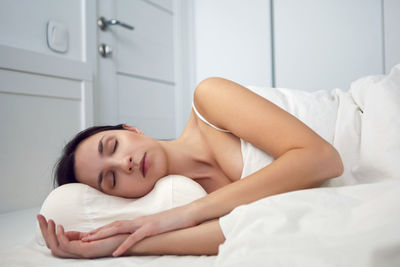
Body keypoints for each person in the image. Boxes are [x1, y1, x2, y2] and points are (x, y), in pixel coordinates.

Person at [37, 77, 344, 258]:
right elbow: (237, 233)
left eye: (114, 146)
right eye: (111, 179)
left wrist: (185, 214)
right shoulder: (188, 200)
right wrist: (118, 245)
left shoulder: (208, 99)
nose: (124, 163)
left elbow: (323, 158)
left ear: (132, 129)